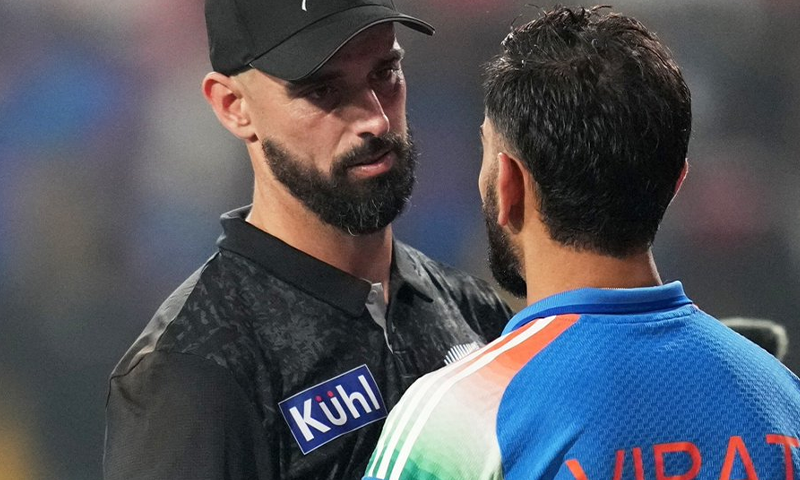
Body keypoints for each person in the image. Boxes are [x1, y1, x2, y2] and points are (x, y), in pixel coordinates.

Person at [364, 6, 800, 480]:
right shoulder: (783, 398)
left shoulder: (461, 415)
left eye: (486, 149)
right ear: (676, 182)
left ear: (509, 184)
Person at [103, 1, 513, 479]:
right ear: (233, 106)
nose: (376, 120)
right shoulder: (196, 366)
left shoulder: (472, 310)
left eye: (385, 73)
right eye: (323, 90)